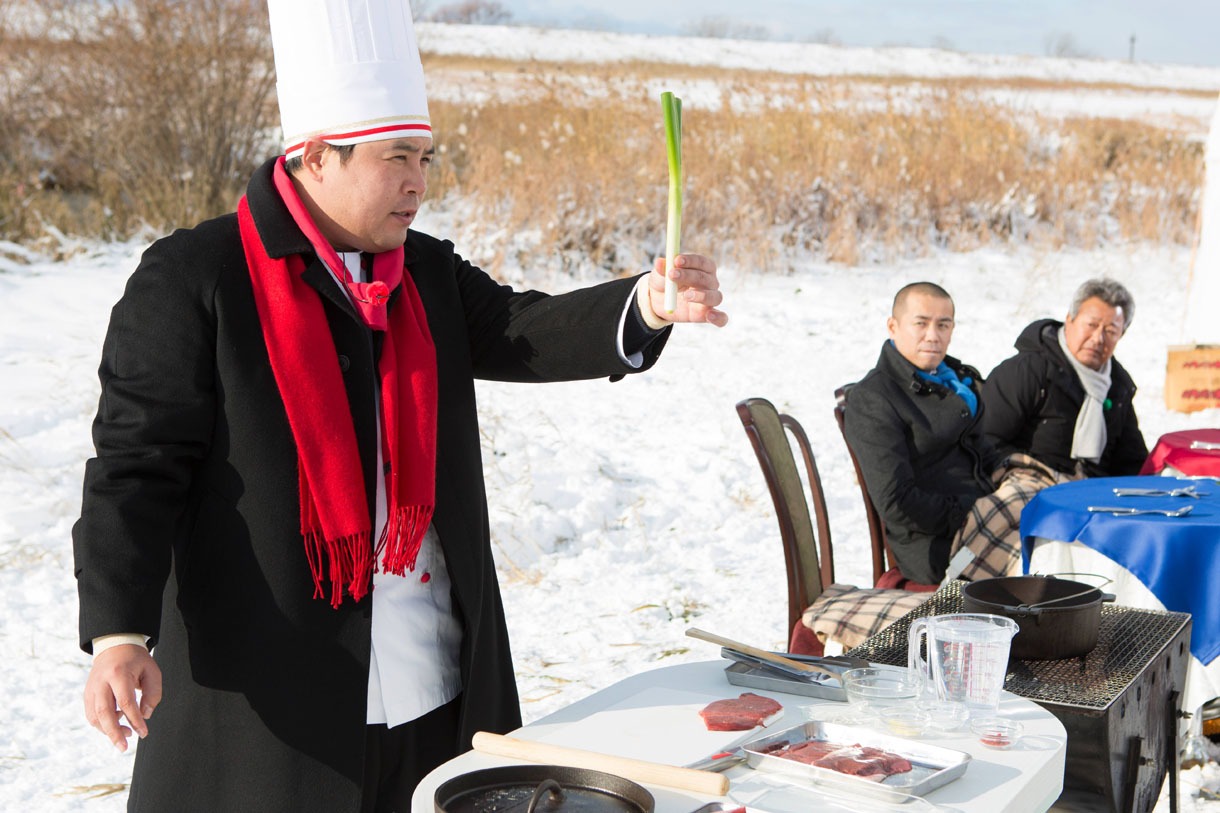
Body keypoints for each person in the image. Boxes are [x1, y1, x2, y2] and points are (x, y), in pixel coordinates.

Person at [72, 2, 726, 811]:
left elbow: (525, 329)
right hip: (272, 722)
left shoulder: (426, 274)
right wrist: (118, 634)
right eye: (396, 158)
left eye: (425, 157)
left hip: (436, 694)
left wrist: (647, 304)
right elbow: (135, 468)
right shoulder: (194, 278)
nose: (419, 181)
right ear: (316, 156)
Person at [842, 282, 1052, 587]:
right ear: (893, 326)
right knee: (1051, 561)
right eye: (921, 323)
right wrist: (972, 512)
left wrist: (1013, 482)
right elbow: (896, 502)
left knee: (1065, 534)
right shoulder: (875, 397)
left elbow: (984, 452)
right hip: (939, 548)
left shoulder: (958, 381)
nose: (933, 335)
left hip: (989, 517)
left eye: (943, 325)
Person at [982, 278, 1147, 478]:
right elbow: (985, 438)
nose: (1097, 338)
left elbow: (1132, 461)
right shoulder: (1028, 370)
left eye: (1110, 331)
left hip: (1093, 493)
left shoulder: (1118, 386)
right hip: (1030, 483)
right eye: (1091, 325)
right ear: (1069, 320)